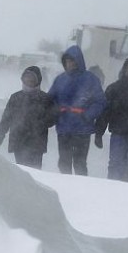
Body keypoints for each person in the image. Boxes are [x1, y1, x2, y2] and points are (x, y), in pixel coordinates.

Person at [0, 66, 58, 169]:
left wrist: (40, 123)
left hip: (36, 143)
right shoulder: (15, 98)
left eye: (32, 79)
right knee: (22, 172)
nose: (28, 81)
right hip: (18, 141)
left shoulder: (45, 99)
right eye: (26, 78)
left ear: (38, 81)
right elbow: (6, 120)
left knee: (35, 173)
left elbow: (53, 118)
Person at [48, 46, 106, 175]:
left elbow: (100, 102)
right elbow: (50, 100)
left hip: (82, 129)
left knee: (79, 163)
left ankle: (82, 190)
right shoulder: (60, 80)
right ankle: (65, 188)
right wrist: (55, 111)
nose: (71, 63)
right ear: (64, 62)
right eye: (68, 61)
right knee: (64, 162)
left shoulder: (91, 79)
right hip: (64, 128)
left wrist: (88, 115)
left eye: (73, 60)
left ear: (79, 61)